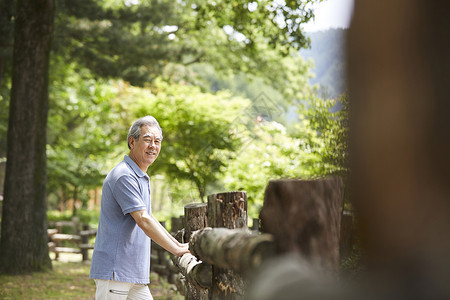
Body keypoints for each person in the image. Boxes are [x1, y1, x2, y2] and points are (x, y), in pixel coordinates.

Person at [90, 116, 190, 299]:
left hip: (134, 275)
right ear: (132, 142)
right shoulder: (124, 176)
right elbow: (143, 220)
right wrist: (176, 250)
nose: (153, 146)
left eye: (157, 141)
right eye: (147, 140)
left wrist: (178, 245)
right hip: (116, 272)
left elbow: (150, 219)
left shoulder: (140, 176)